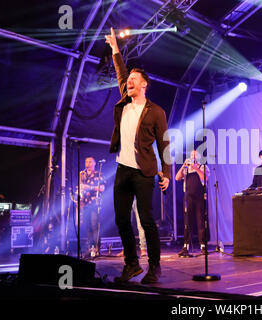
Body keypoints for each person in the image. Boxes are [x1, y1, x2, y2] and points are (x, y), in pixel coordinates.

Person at [105, 27, 171, 284]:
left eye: (133, 79)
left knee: (146, 220)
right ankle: (131, 265)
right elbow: (121, 71)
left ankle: (154, 267)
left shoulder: (156, 112)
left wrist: (165, 174)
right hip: (123, 168)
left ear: (143, 85)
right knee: (122, 219)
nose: (128, 81)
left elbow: (164, 145)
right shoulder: (125, 100)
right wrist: (115, 50)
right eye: (128, 79)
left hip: (144, 172)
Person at [175, 150, 209, 257]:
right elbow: (177, 178)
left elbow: (205, 178)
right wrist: (183, 166)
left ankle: (203, 246)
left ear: (198, 157)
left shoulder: (203, 167)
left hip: (199, 197)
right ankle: (186, 246)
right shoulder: (186, 169)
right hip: (188, 197)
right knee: (187, 222)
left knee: (200, 221)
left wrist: (195, 167)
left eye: (195, 155)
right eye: (191, 155)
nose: (193, 156)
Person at [79, 156, 105, 257]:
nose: (88, 164)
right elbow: (81, 188)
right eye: (86, 162)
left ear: (94, 164)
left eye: (90, 162)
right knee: (87, 226)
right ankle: (91, 248)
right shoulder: (82, 175)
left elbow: (102, 188)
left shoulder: (99, 174)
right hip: (84, 203)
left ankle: (97, 248)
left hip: (94, 204)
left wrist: (89, 187)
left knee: (95, 226)